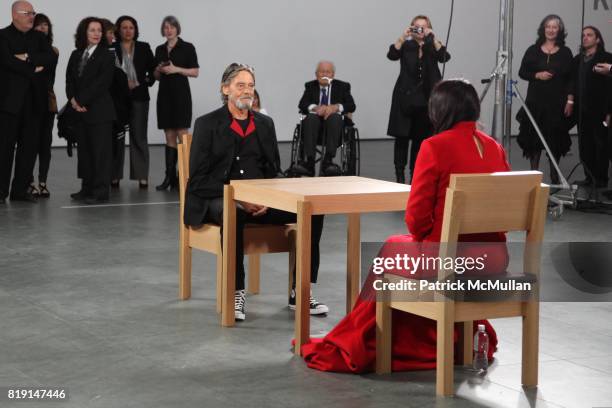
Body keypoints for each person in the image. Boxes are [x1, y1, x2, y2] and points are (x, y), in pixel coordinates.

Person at [301, 79, 508, 373]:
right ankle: (438, 339)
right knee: (402, 251)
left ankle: (365, 340)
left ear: (439, 110)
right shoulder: (495, 148)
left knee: (392, 249)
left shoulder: (435, 146)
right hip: (492, 260)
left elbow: (417, 218)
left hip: (448, 260)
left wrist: (425, 239)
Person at [184, 63, 328, 321]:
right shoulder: (207, 124)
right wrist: (240, 197)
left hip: (260, 200)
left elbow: (273, 172)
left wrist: (270, 197)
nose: (247, 91)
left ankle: (301, 291)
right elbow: (197, 181)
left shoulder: (265, 123)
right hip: (218, 199)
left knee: (312, 210)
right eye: (241, 85)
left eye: (250, 86)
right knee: (235, 212)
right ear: (225, 89)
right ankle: (237, 291)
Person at [0, 1, 57, 203]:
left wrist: (26, 57)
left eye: (33, 13)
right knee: (4, 148)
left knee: (29, 148)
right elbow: (5, 61)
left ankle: (20, 191)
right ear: (15, 14)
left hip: (35, 102)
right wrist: (34, 68)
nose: (32, 16)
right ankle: (0, 191)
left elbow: (50, 58)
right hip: (9, 103)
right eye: (27, 13)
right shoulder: (2, 36)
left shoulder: (39, 37)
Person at [386, 15, 450, 184]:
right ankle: (399, 176)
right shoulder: (406, 46)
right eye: (417, 26)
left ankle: (415, 175)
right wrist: (402, 36)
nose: (420, 30)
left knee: (419, 139)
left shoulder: (432, 46)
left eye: (424, 27)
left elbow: (444, 57)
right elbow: (392, 54)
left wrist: (434, 38)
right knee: (401, 137)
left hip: (426, 99)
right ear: (411, 28)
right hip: (405, 97)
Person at [516, 15, 573, 185]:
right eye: (548, 26)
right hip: (535, 102)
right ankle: (534, 173)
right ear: (543, 29)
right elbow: (522, 72)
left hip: (557, 103)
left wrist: (570, 100)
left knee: (554, 139)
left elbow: (571, 78)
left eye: (555, 27)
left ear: (559, 30)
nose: (551, 30)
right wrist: (537, 75)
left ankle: (555, 175)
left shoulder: (565, 52)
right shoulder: (532, 50)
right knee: (533, 139)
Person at [66, 17, 116, 204]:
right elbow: (69, 80)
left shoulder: (107, 55)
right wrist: (73, 100)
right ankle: (86, 188)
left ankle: (100, 192)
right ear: (83, 33)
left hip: (99, 112)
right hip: (80, 111)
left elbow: (101, 84)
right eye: (92, 30)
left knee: (100, 153)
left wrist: (80, 100)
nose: (96, 34)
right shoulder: (76, 54)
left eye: (99, 30)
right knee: (85, 153)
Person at [154, 15, 199, 191]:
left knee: (183, 135)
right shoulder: (159, 49)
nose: (168, 30)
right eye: (165, 27)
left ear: (177, 29)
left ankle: (186, 177)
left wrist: (176, 69)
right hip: (164, 95)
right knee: (169, 136)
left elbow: (195, 72)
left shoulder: (187, 47)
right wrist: (158, 69)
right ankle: (169, 177)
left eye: (171, 27)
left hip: (181, 96)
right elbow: (157, 77)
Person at [566, 26, 612, 188]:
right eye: (583, 35)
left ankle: (601, 179)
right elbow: (571, 81)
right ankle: (589, 176)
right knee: (584, 144)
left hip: (600, 109)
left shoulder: (606, 58)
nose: (585, 38)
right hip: (581, 109)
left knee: (601, 144)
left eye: (589, 35)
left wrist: (609, 111)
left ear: (597, 39)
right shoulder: (578, 59)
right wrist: (570, 101)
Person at [113, 15, 156, 189]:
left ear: (135, 30)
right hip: (118, 99)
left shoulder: (144, 47)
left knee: (139, 136)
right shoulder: (112, 47)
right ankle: (113, 175)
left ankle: (141, 176)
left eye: (131, 27)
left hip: (139, 98)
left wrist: (145, 80)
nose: (128, 31)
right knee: (117, 137)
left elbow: (153, 70)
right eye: (124, 27)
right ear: (118, 30)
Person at [294, 60, 356, 176]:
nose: (324, 75)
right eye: (321, 72)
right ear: (316, 74)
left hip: (335, 129)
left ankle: (328, 161)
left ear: (333, 75)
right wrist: (316, 108)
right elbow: (302, 104)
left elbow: (351, 105)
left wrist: (336, 107)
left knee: (334, 118)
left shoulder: (343, 86)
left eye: (328, 72)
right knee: (311, 118)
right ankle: (310, 162)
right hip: (314, 128)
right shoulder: (310, 86)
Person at [26, 12, 58, 198]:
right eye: (39, 24)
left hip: (48, 101)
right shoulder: (26, 50)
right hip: (29, 101)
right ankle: (29, 181)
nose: (43, 28)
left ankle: (43, 182)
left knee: (45, 143)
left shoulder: (54, 51)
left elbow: (45, 74)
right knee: (29, 142)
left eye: (46, 25)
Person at [101, 18, 130, 190]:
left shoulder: (117, 49)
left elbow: (123, 75)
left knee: (117, 143)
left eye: (113, 32)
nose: (113, 36)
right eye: (110, 32)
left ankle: (114, 177)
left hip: (118, 105)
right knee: (102, 144)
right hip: (102, 105)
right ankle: (101, 177)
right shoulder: (91, 53)